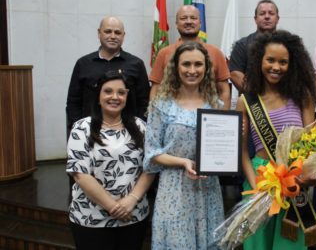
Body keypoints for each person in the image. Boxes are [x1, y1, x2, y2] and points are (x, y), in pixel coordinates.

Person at [235, 30, 316, 250]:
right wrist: (255, 187)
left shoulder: (302, 96)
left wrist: (306, 174)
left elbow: (310, 141)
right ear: (258, 61)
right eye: (270, 60)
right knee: (257, 244)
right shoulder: (246, 102)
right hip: (260, 177)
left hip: (293, 179)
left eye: (283, 62)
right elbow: (242, 151)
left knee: (288, 244)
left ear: (293, 65)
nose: (276, 67)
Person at [144, 41, 224, 249]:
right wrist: (184, 162)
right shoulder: (161, 105)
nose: (192, 70)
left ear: (206, 68)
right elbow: (152, 152)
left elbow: (221, 145)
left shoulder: (215, 104)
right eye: (186, 64)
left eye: (198, 64)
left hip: (207, 188)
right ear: (175, 67)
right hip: (174, 188)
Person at [66, 70, 154, 250]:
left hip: (133, 214)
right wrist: (113, 207)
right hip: (91, 218)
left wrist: (131, 200)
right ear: (98, 96)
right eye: (108, 91)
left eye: (121, 93)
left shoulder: (141, 127)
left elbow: (150, 167)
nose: (115, 97)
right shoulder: (81, 128)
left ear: (127, 97)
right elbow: (80, 175)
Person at [66, 16, 150, 134]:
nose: (113, 36)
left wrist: (138, 130)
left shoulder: (136, 64)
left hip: (128, 135)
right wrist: (78, 131)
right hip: (90, 133)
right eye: (108, 31)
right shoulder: (83, 64)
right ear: (99, 33)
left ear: (123, 36)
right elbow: (73, 102)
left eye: (117, 32)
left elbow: (144, 102)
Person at [149, 5, 231, 109]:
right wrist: (155, 113)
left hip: (208, 117)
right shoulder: (164, 53)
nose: (188, 21)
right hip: (171, 117)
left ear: (200, 23)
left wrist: (222, 119)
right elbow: (156, 89)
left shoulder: (216, 53)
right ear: (176, 24)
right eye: (183, 18)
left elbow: (224, 90)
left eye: (193, 18)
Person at [229, 0, 279, 92]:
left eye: (271, 13)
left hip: (282, 100)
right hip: (253, 103)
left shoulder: (288, 45)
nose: (267, 17)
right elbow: (235, 74)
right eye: (262, 13)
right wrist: (259, 94)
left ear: (277, 19)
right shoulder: (242, 45)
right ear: (255, 19)